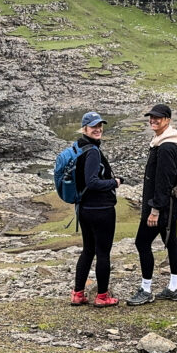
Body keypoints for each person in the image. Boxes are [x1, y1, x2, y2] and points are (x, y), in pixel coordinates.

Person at [127, 103, 177, 306]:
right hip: (169, 206)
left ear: (168, 120)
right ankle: (173, 288)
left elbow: (163, 182)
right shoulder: (166, 142)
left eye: (158, 118)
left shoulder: (166, 147)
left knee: (142, 243)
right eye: (151, 117)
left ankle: (146, 290)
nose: (153, 120)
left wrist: (154, 210)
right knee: (171, 242)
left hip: (161, 207)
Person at [70, 111, 123, 307]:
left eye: (100, 125)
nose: (98, 129)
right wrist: (114, 182)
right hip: (101, 209)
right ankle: (102, 296)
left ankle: (78, 293)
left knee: (88, 250)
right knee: (102, 253)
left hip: (84, 208)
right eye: (93, 126)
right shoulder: (92, 151)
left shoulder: (79, 147)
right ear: (85, 128)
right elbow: (92, 182)